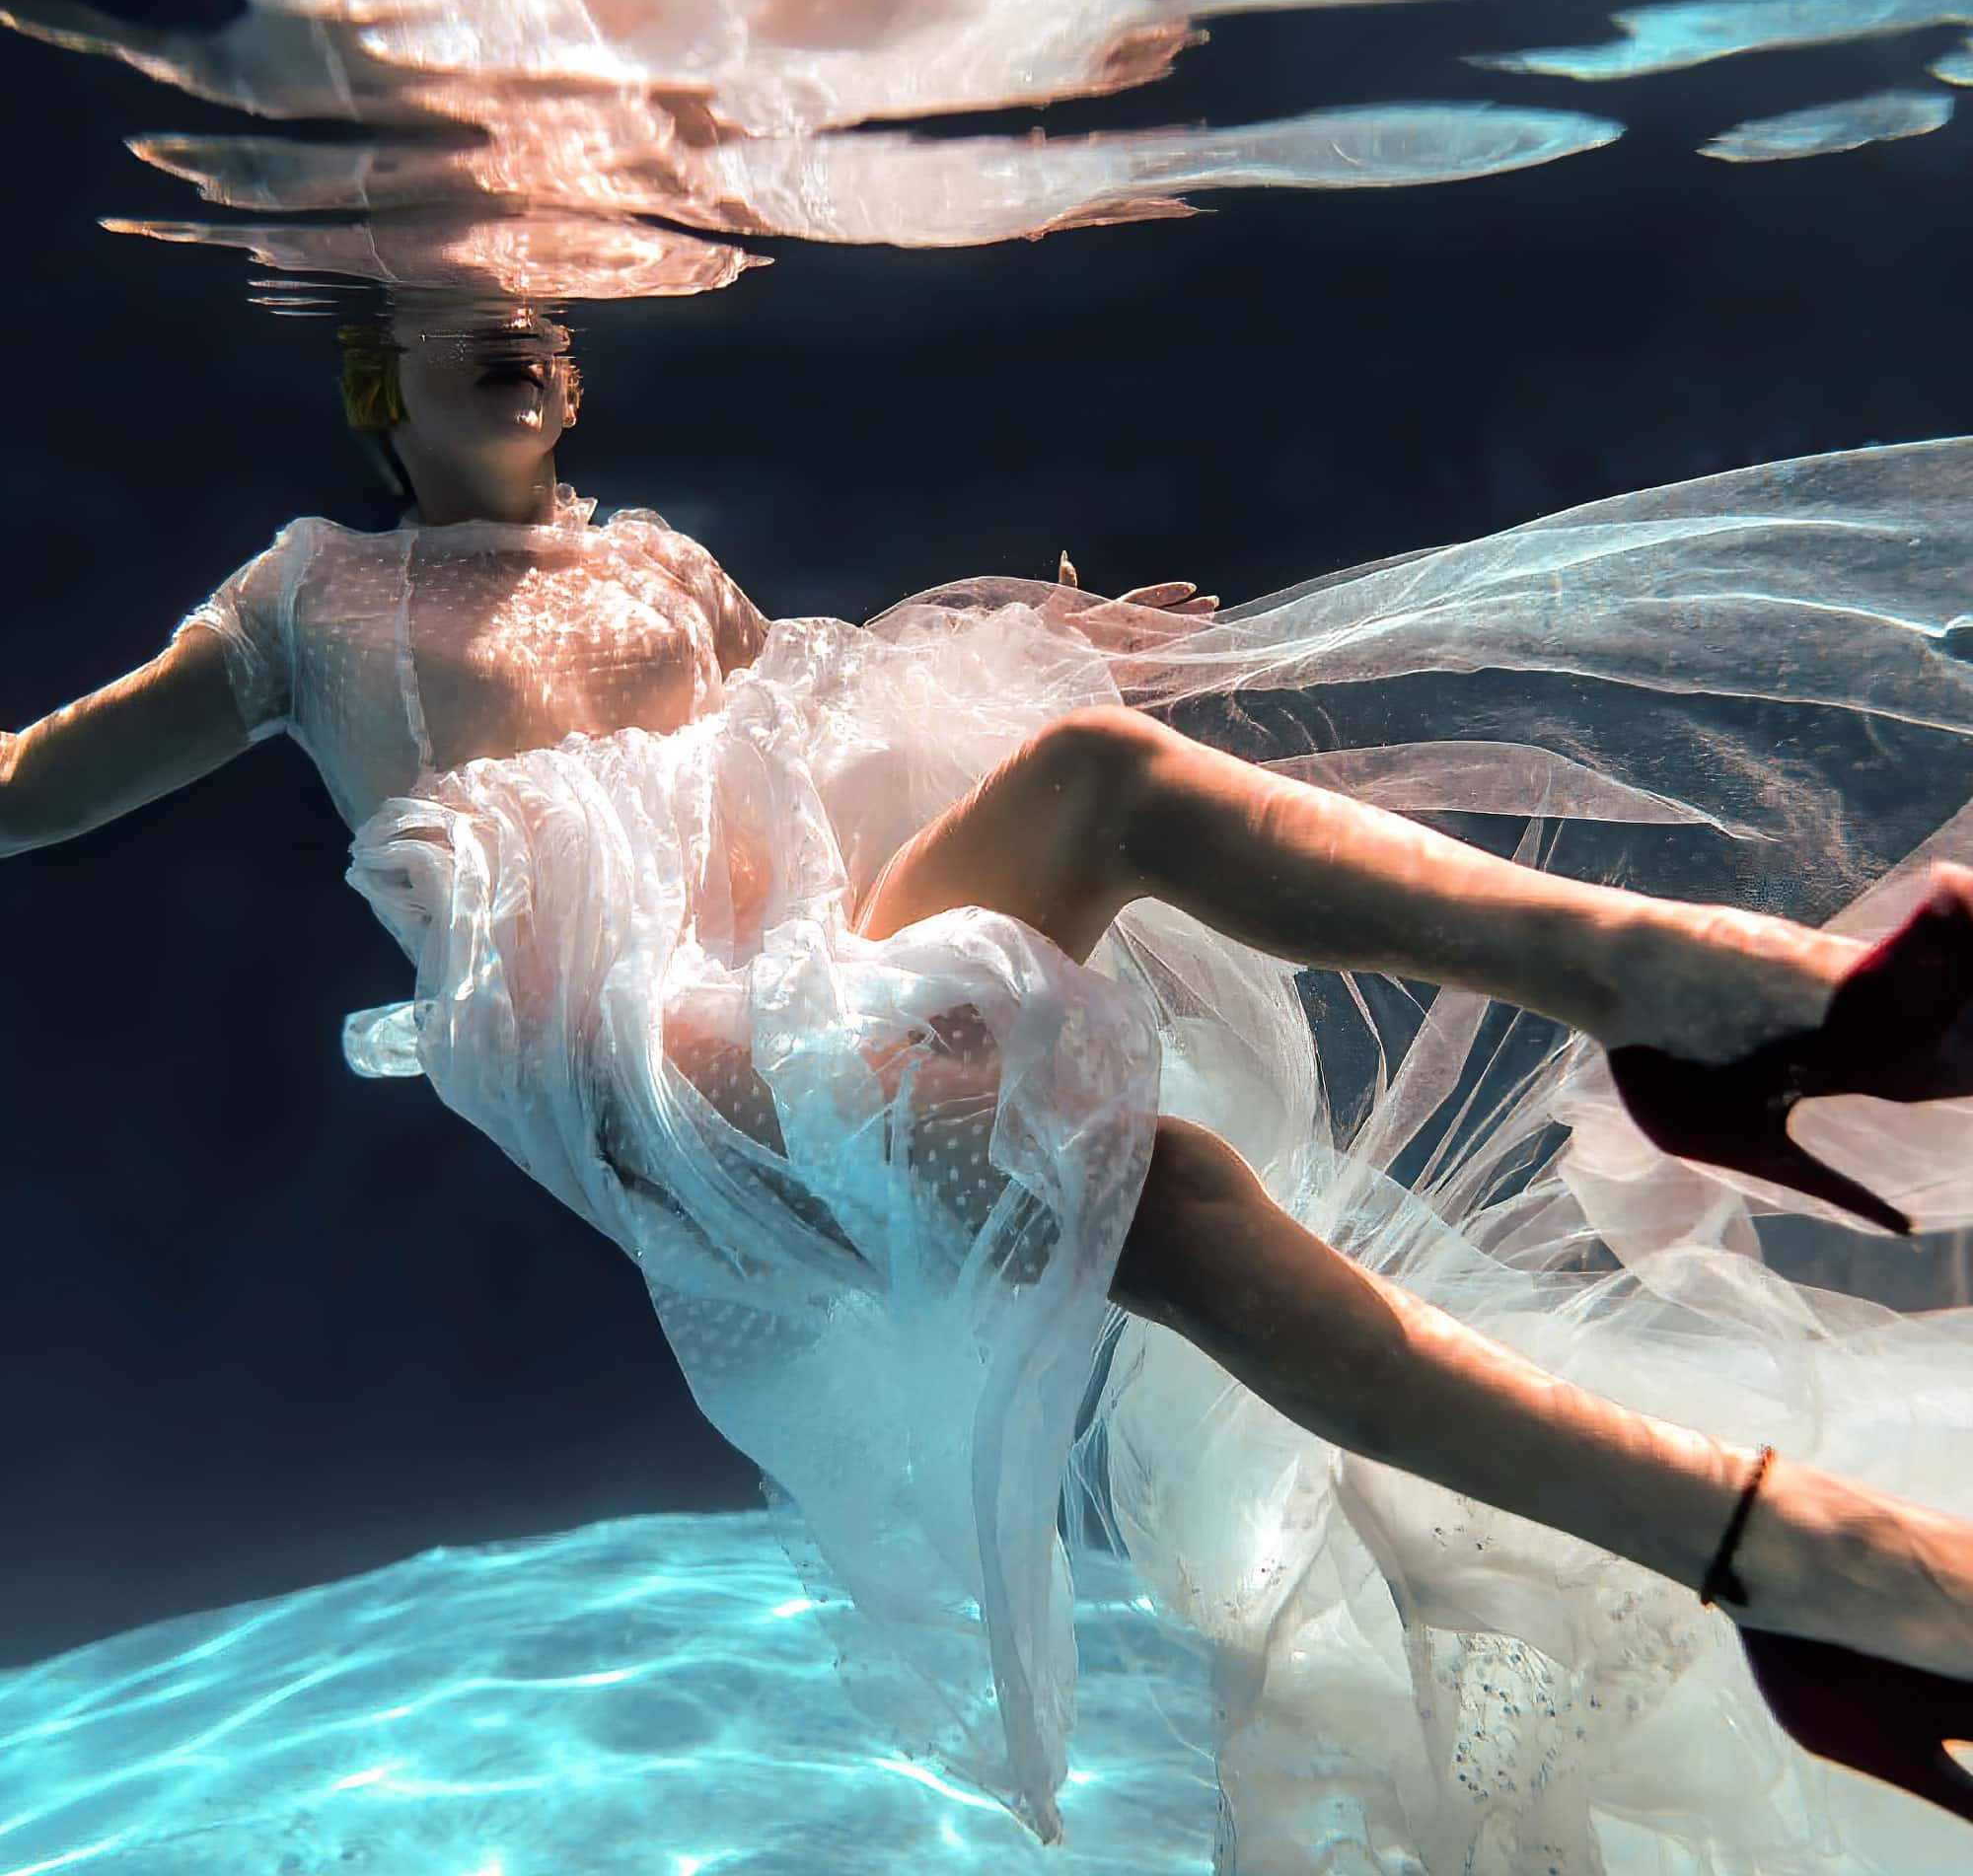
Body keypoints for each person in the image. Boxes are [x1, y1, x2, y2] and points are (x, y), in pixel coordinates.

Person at [8, 303, 1973, 1865]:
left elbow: (825, 715)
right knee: (1170, 1203)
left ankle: (1744, 1025)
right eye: (453, 305)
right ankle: (1785, 1525)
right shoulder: (307, 601)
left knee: (1102, 810)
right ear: (367, 363)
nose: (511, 318)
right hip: (641, 1074)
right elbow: (36, 781)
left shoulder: (667, 570)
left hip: (803, 984)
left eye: (538, 300)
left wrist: (1055, 642)